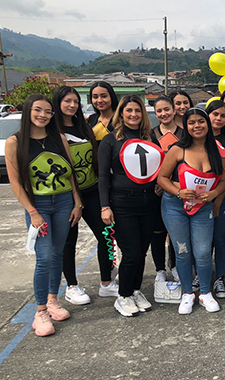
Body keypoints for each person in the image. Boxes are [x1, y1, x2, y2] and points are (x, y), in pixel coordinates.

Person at [6, 94, 83, 336]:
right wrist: (32, 212)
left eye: (48, 111)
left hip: (62, 201)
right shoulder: (15, 142)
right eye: (38, 110)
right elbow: (16, 182)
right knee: (45, 256)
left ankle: (52, 300)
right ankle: (40, 312)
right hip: (37, 205)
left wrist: (77, 202)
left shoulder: (58, 138)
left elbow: (70, 173)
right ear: (28, 111)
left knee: (58, 252)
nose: (43, 115)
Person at [157, 108, 225, 314]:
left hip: (202, 207)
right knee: (182, 250)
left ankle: (205, 293)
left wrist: (214, 194)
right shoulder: (177, 149)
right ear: (186, 126)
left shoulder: (218, 151)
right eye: (192, 122)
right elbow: (162, 178)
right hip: (175, 206)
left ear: (207, 124)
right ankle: (188, 293)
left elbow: (223, 181)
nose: (197, 126)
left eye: (201, 122)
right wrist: (178, 191)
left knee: (204, 252)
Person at [54, 86, 118, 305]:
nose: (72, 105)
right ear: (58, 103)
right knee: (68, 241)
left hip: (91, 190)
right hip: (65, 195)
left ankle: (107, 283)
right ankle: (71, 286)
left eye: (75, 101)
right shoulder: (52, 129)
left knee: (106, 236)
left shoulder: (85, 126)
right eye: (67, 101)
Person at [98, 95, 160, 317]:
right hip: (122, 202)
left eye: (137, 110)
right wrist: (105, 206)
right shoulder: (110, 140)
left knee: (142, 251)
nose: (133, 114)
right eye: (129, 110)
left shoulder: (150, 137)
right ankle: (123, 296)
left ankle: (134, 290)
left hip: (149, 201)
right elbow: (103, 176)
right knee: (131, 252)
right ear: (121, 113)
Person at [150, 96, 186, 283]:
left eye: (167, 109)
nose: (164, 114)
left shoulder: (185, 133)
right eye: (159, 111)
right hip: (157, 190)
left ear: (174, 110)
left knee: (175, 232)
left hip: (179, 189)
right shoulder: (150, 134)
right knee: (157, 231)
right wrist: (157, 183)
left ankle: (175, 266)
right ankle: (159, 269)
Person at [206, 100, 225, 298]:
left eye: (223, 115)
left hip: (221, 198)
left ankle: (219, 279)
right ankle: (202, 276)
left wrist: (217, 202)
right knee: (201, 241)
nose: (218, 118)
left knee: (219, 238)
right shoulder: (195, 139)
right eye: (215, 114)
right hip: (197, 199)